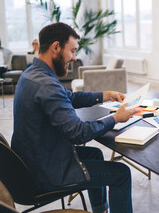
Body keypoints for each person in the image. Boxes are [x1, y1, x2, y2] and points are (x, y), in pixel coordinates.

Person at [11, 22, 138, 213]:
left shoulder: (32, 73)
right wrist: (116, 118)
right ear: (56, 47)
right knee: (122, 174)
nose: (74, 57)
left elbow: (69, 97)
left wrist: (105, 94)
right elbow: (79, 132)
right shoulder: (46, 84)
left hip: (33, 161)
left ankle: (100, 209)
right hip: (45, 173)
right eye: (72, 51)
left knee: (95, 154)